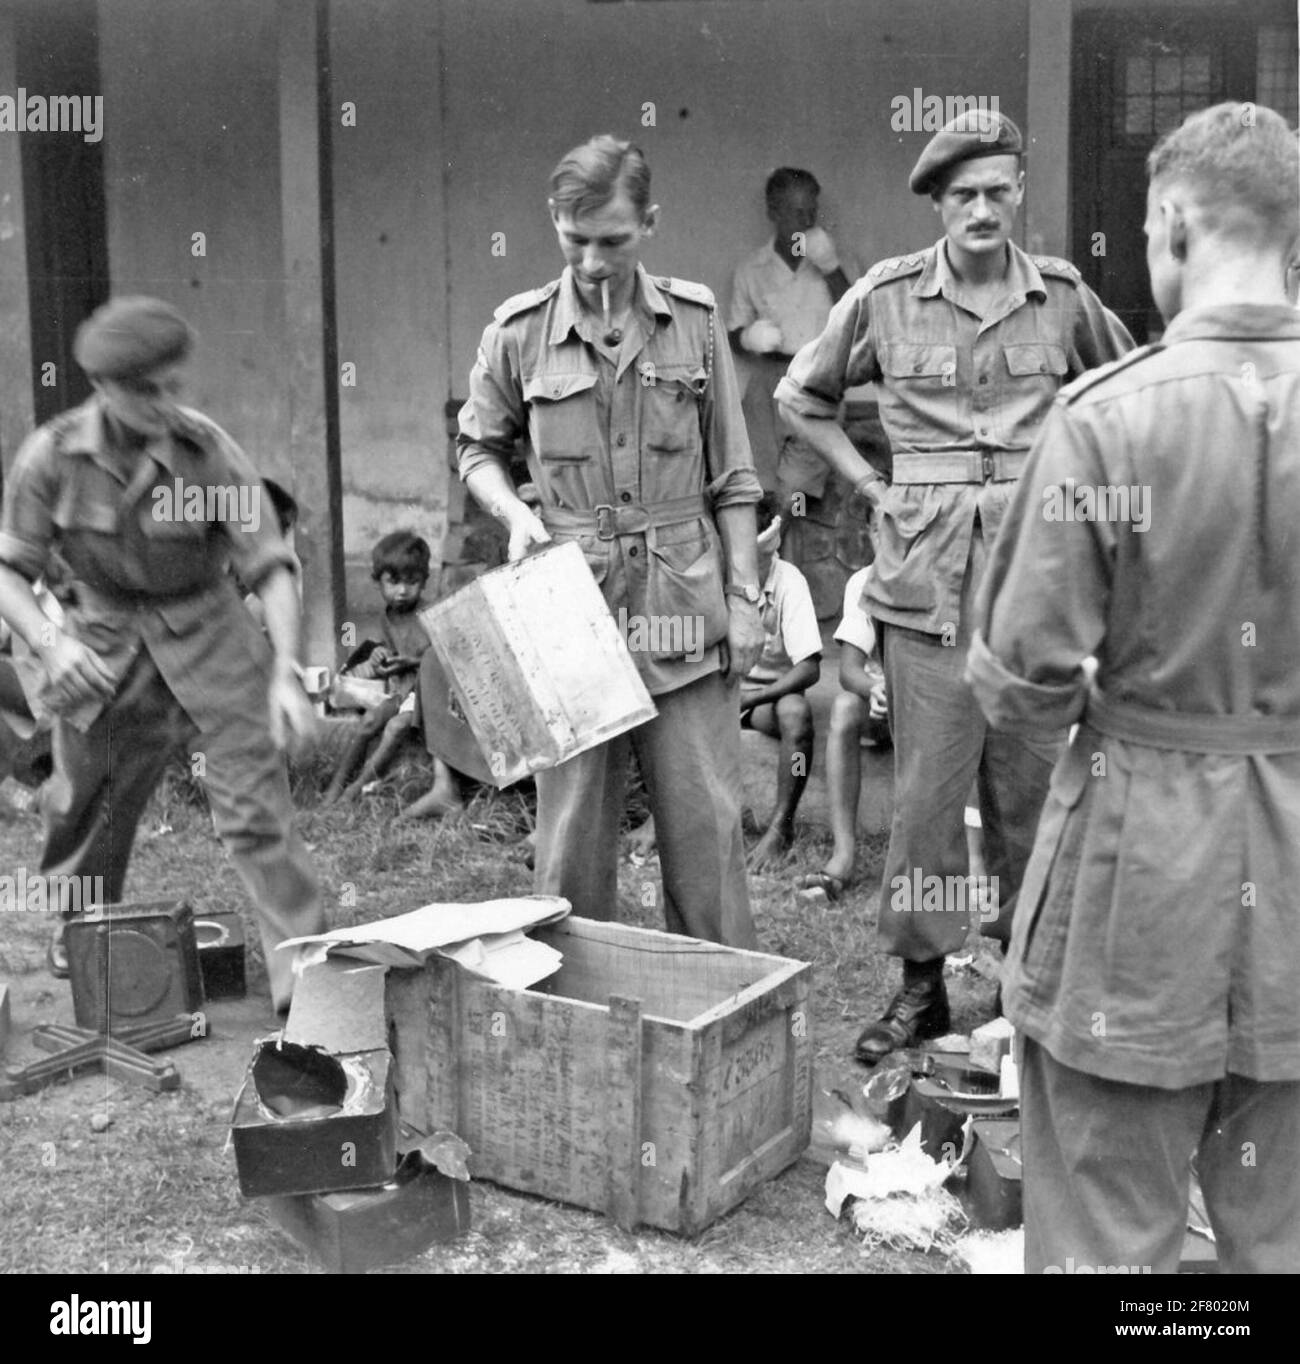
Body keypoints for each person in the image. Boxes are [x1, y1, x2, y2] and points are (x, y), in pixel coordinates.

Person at [968, 102, 1300, 1274]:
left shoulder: (1109, 421)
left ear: (1169, 226)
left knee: (1110, 1235)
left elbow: (1020, 683)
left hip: (1137, 878)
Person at [776, 110, 1133, 1065]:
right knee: (930, 802)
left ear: (1020, 195)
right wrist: (867, 484)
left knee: (1029, 796)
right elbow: (799, 396)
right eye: (963, 194)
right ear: (938, 203)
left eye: (998, 191)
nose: (982, 209)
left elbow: (1126, 388)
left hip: (1034, 587)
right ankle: (924, 989)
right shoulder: (887, 298)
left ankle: (1027, 985)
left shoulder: (1061, 298)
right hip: (926, 587)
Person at [457, 133, 764, 948]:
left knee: (705, 828)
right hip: (569, 602)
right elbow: (479, 449)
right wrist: (515, 514)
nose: (592, 261)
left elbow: (734, 476)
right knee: (572, 839)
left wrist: (747, 596)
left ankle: (716, 999)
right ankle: (574, 1008)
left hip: (683, 598)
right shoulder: (519, 334)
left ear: (650, 223)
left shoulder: (694, 325)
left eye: (613, 241)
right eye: (574, 240)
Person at [0, 296, 324, 1010]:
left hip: (211, 634)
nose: (167, 402)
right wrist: (51, 648)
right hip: (103, 645)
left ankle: (303, 978)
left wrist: (287, 674)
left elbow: (270, 566)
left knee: (255, 808)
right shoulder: (51, 457)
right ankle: (81, 927)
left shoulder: (208, 453)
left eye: (175, 384)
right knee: (82, 803)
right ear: (104, 387)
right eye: (147, 390)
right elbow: (9, 571)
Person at [729, 167, 861, 614]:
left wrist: (831, 269)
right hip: (766, 383)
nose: (805, 219)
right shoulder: (752, 268)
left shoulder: (831, 260)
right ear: (773, 212)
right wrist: (746, 337)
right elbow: (733, 329)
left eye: (811, 210)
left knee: (793, 494)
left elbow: (858, 317)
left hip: (817, 385)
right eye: (794, 210)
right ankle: (764, 600)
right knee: (761, 491)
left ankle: (789, 598)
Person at [322, 530, 441, 805]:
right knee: (369, 723)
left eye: (412, 582)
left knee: (395, 728)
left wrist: (413, 662)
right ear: (378, 582)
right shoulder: (387, 617)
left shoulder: (431, 615)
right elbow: (392, 654)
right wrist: (380, 656)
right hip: (402, 693)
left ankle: (355, 790)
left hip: (427, 698)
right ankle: (335, 786)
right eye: (394, 582)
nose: (402, 590)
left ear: (424, 582)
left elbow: (443, 663)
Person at [796, 562, 889, 903]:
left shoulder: (942, 569)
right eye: (880, 526)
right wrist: (876, 689)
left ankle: (974, 863)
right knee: (845, 707)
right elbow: (849, 671)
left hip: (931, 703)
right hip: (884, 703)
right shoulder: (865, 581)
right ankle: (844, 854)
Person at [739, 492, 822, 870]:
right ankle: (656, 820)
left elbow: (809, 669)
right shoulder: (712, 572)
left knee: (797, 714)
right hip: (718, 693)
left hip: (762, 700)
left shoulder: (790, 580)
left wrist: (754, 697)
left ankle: (780, 826)